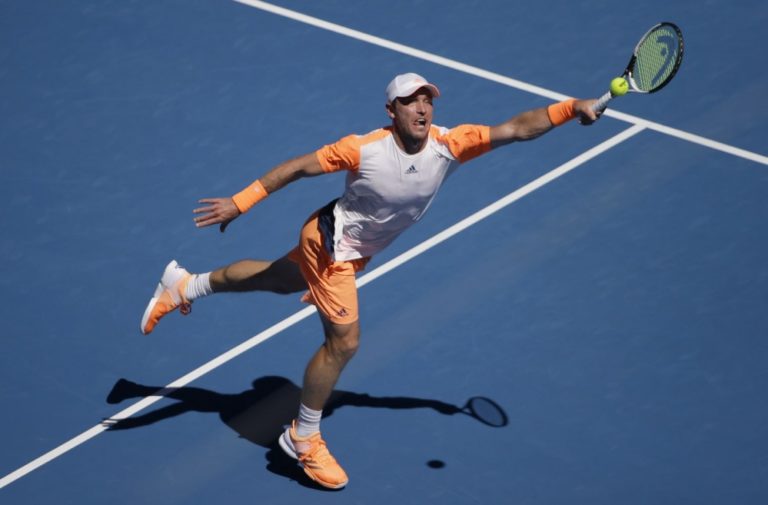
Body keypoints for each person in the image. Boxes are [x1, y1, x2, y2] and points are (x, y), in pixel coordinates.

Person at [139, 72, 599, 489]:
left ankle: (185, 285)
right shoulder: (363, 149)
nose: (422, 109)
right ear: (391, 111)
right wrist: (240, 202)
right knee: (344, 342)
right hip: (330, 247)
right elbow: (297, 168)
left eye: (427, 100)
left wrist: (570, 108)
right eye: (410, 101)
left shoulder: (451, 143)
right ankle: (303, 437)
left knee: (276, 279)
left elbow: (516, 128)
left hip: (355, 251)